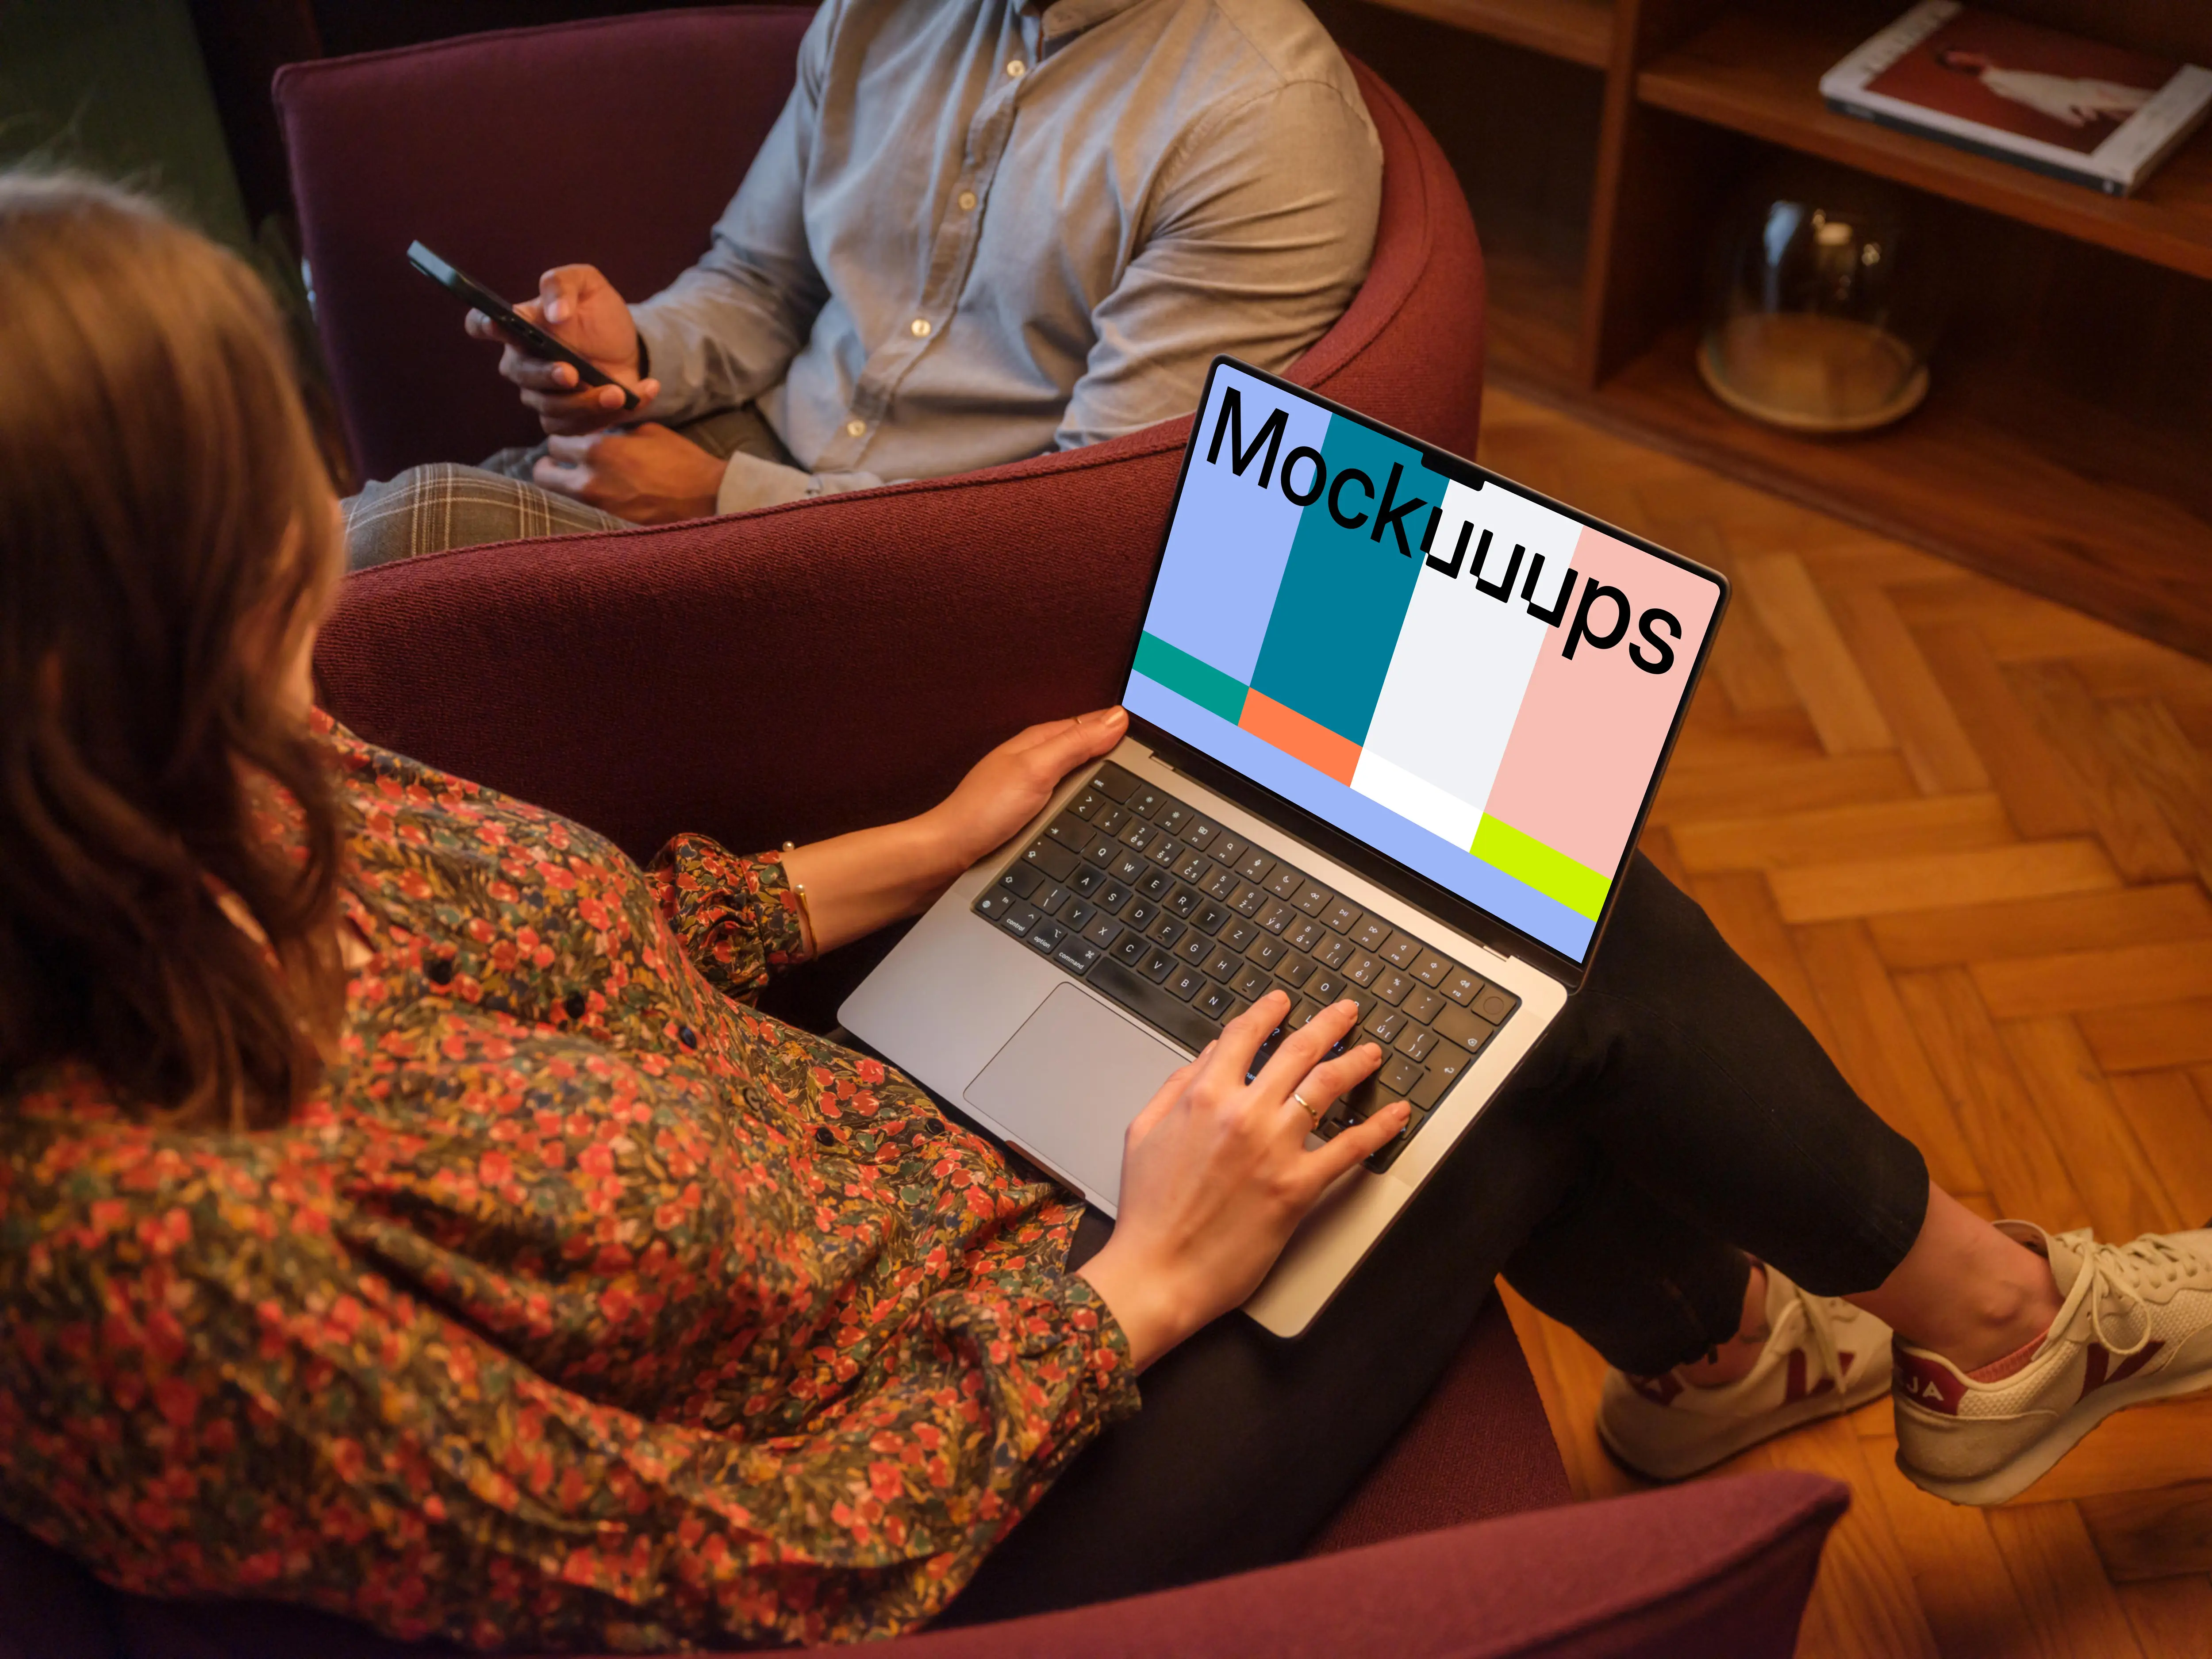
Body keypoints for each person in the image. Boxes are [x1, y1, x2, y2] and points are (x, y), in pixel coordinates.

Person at [6, 175, 2211, 1652]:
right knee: (1551, 967)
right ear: (103, 640)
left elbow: (580, 967)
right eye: (257, 500)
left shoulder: (210, 789)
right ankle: (2005, 1330)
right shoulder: (147, 1262)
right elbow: (700, 1589)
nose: (326, 522)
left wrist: (922, 850)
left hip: (896, 1176)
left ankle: (1731, 1355)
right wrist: (1135, 1288)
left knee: (1414, 906)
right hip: (959, 1496)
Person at [342, 0, 1383, 568]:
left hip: (923, 580)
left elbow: (1090, 526)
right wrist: (637, 350)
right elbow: (760, 283)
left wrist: (720, 501)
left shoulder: (1261, 122)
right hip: (750, 456)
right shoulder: (880, 16)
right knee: (386, 533)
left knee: (397, 543)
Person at [1935, 46, 2154, 130]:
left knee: (2119, 96)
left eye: (1961, 55)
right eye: (1957, 61)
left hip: (2075, 86)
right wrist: (2066, 107)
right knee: (2117, 105)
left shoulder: (1998, 65)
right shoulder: (1995, 82)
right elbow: (2035, 96)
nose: (1965, 59)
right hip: (2071, 97)